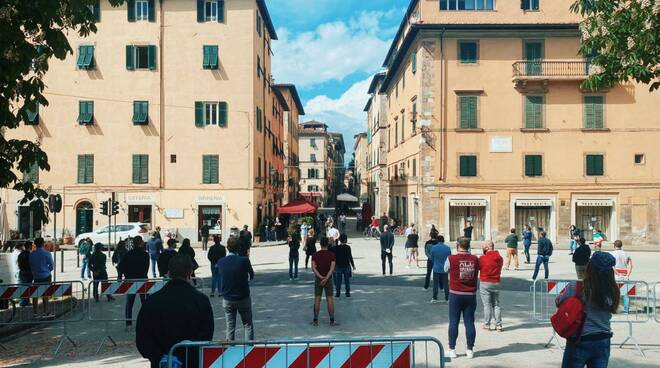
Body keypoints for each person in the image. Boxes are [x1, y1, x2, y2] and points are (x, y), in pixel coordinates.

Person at [136, 255, 213, 368]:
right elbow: (206, 336)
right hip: (191, 362)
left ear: (169, 273)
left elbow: (142, 339)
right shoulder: (201, 300)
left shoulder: (152, 301)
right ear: (190, 273)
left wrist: (159, 357)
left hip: (161, 364)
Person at [558, 252, 619, 368]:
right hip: (603, 339)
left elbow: (560, 302)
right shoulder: (612, 291)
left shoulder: (576, 287)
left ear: (590, 267)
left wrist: (559, 300)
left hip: (581, 338)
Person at [444, 237, 480, 359]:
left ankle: (452, 349)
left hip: (455, 293)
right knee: (469, 322)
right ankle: (470, 349)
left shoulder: (451, 258)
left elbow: (445, 269)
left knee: (453, 321)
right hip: (470, 295)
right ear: (469, 246)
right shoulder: (475, 259)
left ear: (458, 245)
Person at [217, 237, 255, 340]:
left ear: (227, 247)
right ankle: (249, 349)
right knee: (248, 325)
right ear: (238, 248)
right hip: (243, 297)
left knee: (230, 327)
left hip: (228, 298)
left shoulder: (221, 262)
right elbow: (251, 275)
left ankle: (230, 350)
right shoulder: (244, 260)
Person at [119, 237, 149, 328]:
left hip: (130, 280)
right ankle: (146, 322)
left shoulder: (128, 254)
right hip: (142, 279)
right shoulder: (145, 254)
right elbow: (146, 267)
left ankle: (128, 323)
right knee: (145, 303)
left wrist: (124, 275)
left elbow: (120, 266)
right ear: (140, 243)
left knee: (129, 303)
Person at [311, 237, 337, 326]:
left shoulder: (315, 255)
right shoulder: (332, 255)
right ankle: (332, 320)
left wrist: (321, 277)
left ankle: (315, 320)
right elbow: (332, 268)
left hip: (319, 279)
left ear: (320, 244)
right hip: (328, 279)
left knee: (317, 299)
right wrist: (326, 278)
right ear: (327, 244)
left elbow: (313, 268)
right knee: (329, 299)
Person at [479, 240, 503, 331]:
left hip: (485, 282)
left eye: (483, 246)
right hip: (496, 282)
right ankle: (499, 325)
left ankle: (487, 324)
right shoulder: (500, 258)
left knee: (487, 305)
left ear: (486, 247)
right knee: (496, 305)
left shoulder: (482, 258)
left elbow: (478, 268)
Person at [29, 237, 53, 317]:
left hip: (36, 276)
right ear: (43, 244)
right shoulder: (47, 253)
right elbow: (51, 266)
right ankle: (46, 312)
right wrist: (47, 270)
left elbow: (31, 265)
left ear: (35, 244)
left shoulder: (32, 254)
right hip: (46, 275)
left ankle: (35, 312)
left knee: (35, 294)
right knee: (46, 294)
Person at [610, 240, 632, 313]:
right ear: (621, 245)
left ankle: (614, 308)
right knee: (626, 293)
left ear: (614, 246)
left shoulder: (612, 254)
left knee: (614, 292)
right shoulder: (626, 253)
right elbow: (630, 265)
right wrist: (628, 274)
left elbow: (612, 265)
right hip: (625, 272)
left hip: (616, 274)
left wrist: (617, 273)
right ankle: (626, 310)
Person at [430, 235, 452, 303]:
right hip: (445, 269)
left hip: (436, 268)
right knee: (446, 284)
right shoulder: (447, 248)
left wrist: (434, 263)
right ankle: (447, 298)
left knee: (435, 284)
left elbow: (432, 258)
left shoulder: (434, 248)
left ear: (437, 240)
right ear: (443, 240)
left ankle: (434, 298)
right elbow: (449, 258)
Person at [16, 242, 33, 306]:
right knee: (28, 287)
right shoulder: (30, 254)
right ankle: (25, 302)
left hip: (22, 272)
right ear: (29, 247)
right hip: (28, 272)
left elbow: (18, 264)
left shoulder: (20, 254)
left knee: (23, 287)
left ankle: (23, 301)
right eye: (31, 246)